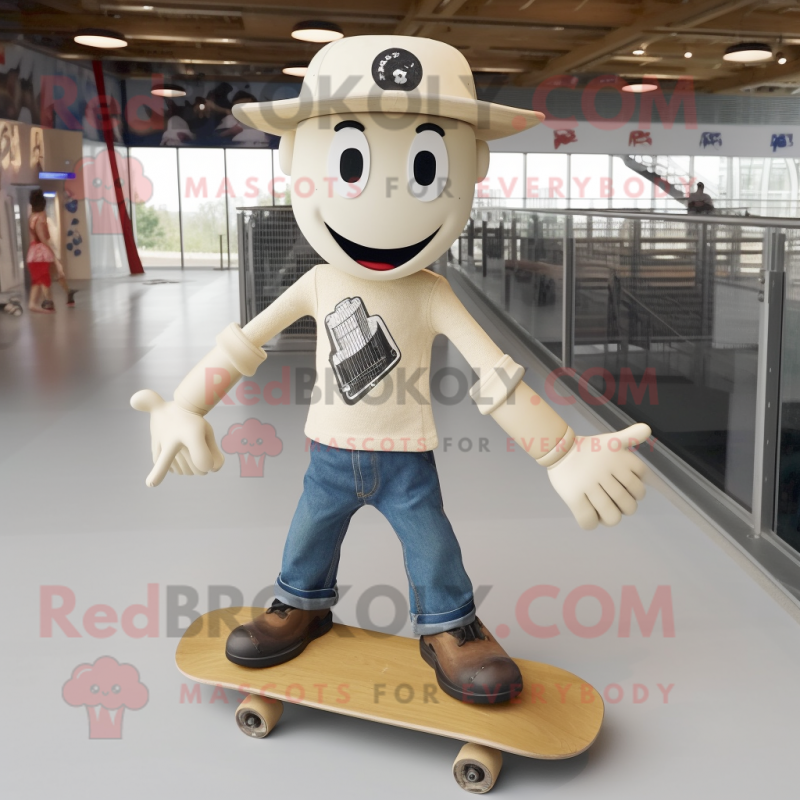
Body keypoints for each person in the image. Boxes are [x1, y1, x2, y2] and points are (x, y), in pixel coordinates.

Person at [131, 36, 651, 706]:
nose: (387, 198)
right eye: (349, 162)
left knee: (431, 543)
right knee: (309, 531)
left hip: (407, 456)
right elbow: (243, 345)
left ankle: (449, 624)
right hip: (329, 451)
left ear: (473, 165)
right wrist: (185, 403)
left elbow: (494, 375)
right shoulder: (319, 282)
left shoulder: (432, 292)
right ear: (295, 158)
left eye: (427, 166)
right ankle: (301, 603)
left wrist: (561, 451)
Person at [26, 189, 76, 313]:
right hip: (43, 249)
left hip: (34, 249)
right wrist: (52, 251)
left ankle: (52, 299)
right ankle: (61, 295)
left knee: (46, 274)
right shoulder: (42, 215)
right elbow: (43, 237)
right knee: (53, 271)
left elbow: (33, 236)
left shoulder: (31, 217)